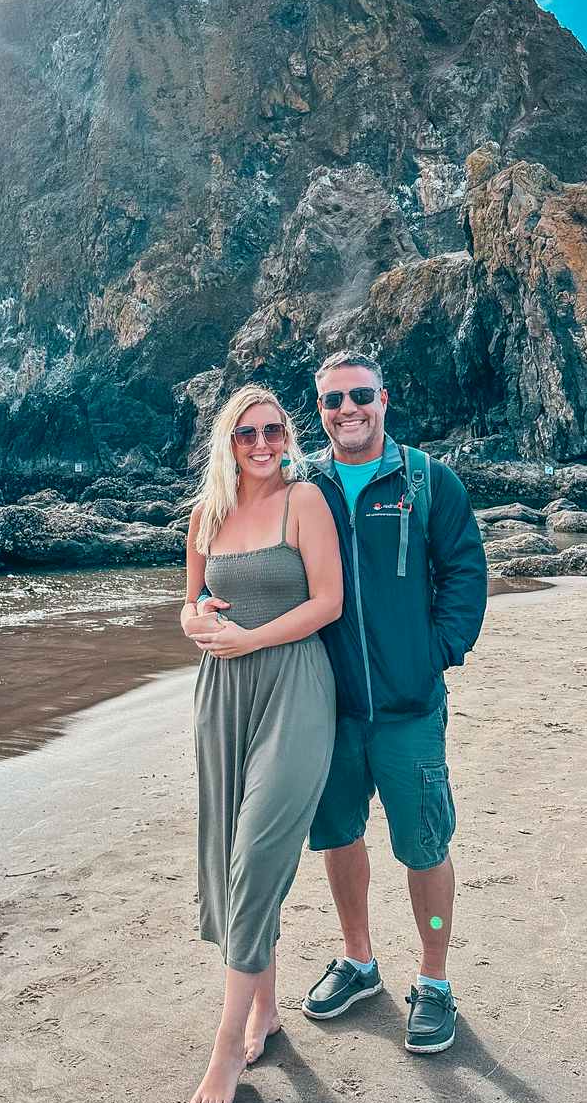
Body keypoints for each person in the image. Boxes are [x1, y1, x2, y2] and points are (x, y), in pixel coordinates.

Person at [189, 351, 488, 1056]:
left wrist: (437, 650)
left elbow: (467, 570)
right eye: (332, 401)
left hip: (408, 706)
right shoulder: (307, 482)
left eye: (360, 396)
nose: (347, 410)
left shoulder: (425, 481)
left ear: (385, 398)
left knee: (424, 846)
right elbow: (244, 555)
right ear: (317, 412)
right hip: (323, 707)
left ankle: (435, 978)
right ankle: (359, 959)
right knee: (337, 837)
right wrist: (200, 608)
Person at [180, 384, 343, 1103]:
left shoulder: (303, 501)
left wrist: (249, 637)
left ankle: (225, 1045)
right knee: (231, 854)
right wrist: (196, 622)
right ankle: (266, 1010)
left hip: (296, 688)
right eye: (246, 434)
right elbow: (189, 603)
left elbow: (327, 603)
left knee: (256, 853)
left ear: (289, 434)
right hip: (222, 696)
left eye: (273, 430)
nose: (262, 444)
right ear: (227, 441)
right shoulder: (206, 513)